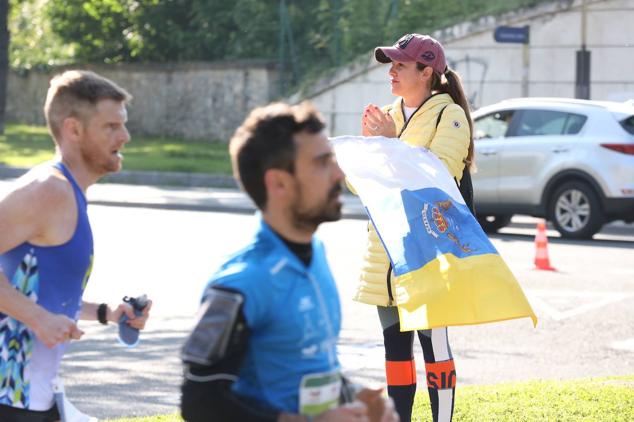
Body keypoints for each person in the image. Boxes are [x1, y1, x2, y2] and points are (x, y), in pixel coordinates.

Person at [180, 102, 398, 422]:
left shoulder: (316, 253)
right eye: (323, 163)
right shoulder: (241, 282)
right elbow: (200, 401)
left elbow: (302, 371)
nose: (339, 174)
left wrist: (353, 395)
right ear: (279, 183)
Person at [0, 70, 152, 421]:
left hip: (34, 398)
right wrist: (38, 319)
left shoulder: (69, 193)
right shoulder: (48, 190)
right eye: (111, 127)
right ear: (73, 130)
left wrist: (105, 312)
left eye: (124, 125)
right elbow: (37, 309)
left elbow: (38, 289)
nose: (125, 136)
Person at [355, 34, 474, 422]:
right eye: (391, 63)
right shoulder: (388, 115)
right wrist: (366, 153)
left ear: (426, 72)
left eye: (401, 65)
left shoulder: (449, 115)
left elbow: (437, 179)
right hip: (385, 254)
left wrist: (391, 144)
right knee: (395, 352)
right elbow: (364, 185)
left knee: (433, 347)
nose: (391, 71)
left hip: (430, 252)